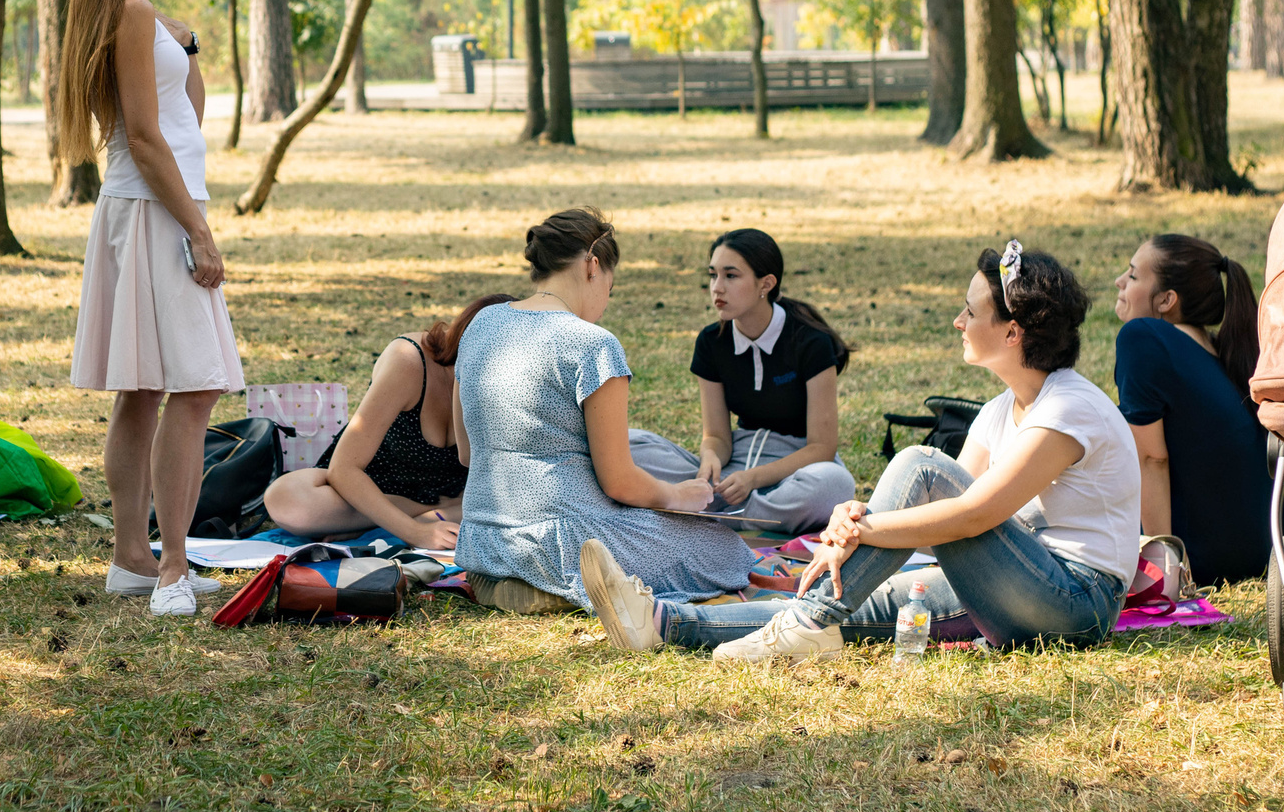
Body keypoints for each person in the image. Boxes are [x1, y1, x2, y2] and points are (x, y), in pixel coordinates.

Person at [582, 242, 1139, 661]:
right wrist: (861, 519)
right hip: (1015, 585)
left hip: (1076, 602)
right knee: (853, 600)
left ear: (1013, 333)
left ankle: (806, 622)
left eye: (970, 312)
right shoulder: (1000, 410)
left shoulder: (1069, 409)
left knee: (920, 464)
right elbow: (938, 523)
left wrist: (862, 529)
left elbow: (973, 513)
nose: (958, 321)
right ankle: (663, 622)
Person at [60, 0, 241, 617]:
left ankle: (132, 560)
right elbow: (144, 135)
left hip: (149, 206)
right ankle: (169, 568)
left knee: (143, 390)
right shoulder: (131, 13)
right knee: (194, 387)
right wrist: (198, 229)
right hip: (156, 211)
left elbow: (188, 118)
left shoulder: (139, 12)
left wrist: (188, 44)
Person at [454, 208, 758, 613]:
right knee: (724, 550)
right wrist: (678, 496)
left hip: (482, 539)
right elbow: (619, 482)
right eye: (609, 291)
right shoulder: (592, 344)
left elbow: (466, 452)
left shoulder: (481, 323)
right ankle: (557, 585)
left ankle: (515, 581)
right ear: (593, 267)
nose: (604, 305)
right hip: (561, 541)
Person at [627, 229, 857, 534]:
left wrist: (753, 479)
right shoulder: (711, 342)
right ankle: (721, 508)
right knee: (629, 444)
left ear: (766, 284)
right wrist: (710, 458)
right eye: (713, 275)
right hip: (733, 471)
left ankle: (704, 510)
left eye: (731, 276)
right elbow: (717, 436)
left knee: (835, 484)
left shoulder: (811, 342)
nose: (717, 287)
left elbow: (822, 448)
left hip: (795, 472)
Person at [261, 294, 513, 549]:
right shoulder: (409, 359)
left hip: (455, 497)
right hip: (368, 488)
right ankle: (397, 518)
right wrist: (416, 531)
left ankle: (371, 523)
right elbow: (344, 469)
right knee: (286, 500)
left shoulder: (514, 383)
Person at [1110, 234, 1272, 585]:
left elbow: (1152, 459)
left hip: (1200, 559)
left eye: (1133, 275)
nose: (1120, 282)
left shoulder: (1144, 337)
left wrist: (1164, 569)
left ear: (1167, 300)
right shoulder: (1221, 352)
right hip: (1260, 552)